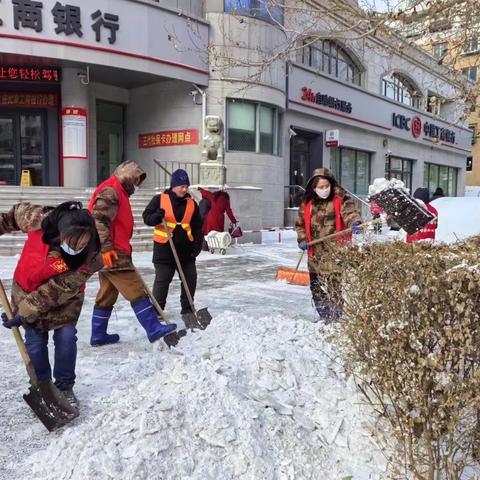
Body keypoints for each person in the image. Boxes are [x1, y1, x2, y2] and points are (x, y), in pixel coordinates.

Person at [1, 201, 103, 406]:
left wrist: (25, 311)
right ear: (60, 232)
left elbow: (58, 289)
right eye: (70, 242)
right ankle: (41, 385)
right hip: (26, 288)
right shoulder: (38, 218)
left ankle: (64, 387)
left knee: (66, 337)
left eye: (80, 245)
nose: (74, 249)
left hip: (65, 298)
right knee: (35, 341)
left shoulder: (91, 257)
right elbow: (12, 216)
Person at [88, 160, 177, 345]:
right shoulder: (111, 190)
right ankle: (153, 328)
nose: (136, 185)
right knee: (136, 289)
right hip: (111, 251)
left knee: (107, 293)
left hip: (110, 249)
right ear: (126, 176)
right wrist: (106, 248)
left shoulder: (118, 191)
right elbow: (98, 220)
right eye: (135, 180)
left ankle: (98, 335)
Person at [295, 168, 362, 321]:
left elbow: (350, 213)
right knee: (316, 287)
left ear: (331, 184)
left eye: (326, 186)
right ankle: (324, 315)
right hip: (315, 254)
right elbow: (299, 225)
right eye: (320, 187)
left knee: (334, 287)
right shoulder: (308, 204)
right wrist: (302, 239)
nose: (324, 189)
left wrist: (354, 222)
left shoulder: (340, 199)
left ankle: (336, 317)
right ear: (314, 188)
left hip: (335, 253)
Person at [142, 169, 203, 315]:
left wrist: (197, 245)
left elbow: (197, 227)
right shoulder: (160, 199)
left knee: (190, 279)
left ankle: (187, 309)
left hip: (186, 252)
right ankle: (157, 312)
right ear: (173, 186)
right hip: (164, 250)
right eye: (182, 186)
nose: (185, 189)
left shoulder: (192, 204)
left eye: (186, 186)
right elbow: (147, 217)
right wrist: (156, 217)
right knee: (163, 281)